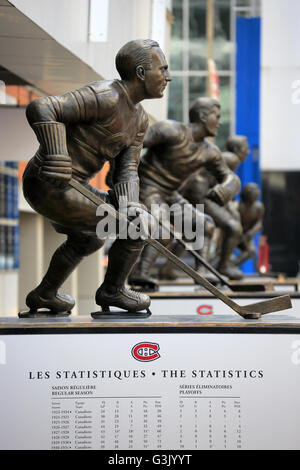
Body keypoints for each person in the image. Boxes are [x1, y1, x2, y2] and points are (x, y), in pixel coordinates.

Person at [22, 39, 171, 315]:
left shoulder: (140, 119)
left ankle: (45, 294)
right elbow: (43, 107)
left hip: (77, 188)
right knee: (140, 227)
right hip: (48, 183)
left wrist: (128, 205)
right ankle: (113, 290)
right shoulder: (106, 96)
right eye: (162, 69)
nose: (168, 76)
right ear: (140, 73)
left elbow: (126, 169)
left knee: (91, 237)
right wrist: (56, 154)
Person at [128, 97, 241, 288]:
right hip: (147, 187)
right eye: (217, 116)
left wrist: (227, 187)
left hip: (170, 194)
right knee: (162, 229)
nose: (219, 122)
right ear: (203, 116)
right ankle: (141, 273)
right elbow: (131, 144)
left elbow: (229, 176)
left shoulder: (209, 151)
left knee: (205, 225)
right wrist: (122, 177)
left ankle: (202, 272)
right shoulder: (170, 130)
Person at [159, 135, 249, 281]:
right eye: (246, 148)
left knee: (189, 233)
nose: (248, 152)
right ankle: (222, 266)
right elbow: (221, 191)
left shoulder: (223, 156)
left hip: (195, 193)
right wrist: (230, 211)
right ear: (237, 149)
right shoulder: (231, 159)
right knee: (233, 227)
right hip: (200, 196)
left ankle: (167, 268)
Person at [231, 183, 264, 267]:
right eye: (251, 191)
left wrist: (252, 232)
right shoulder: (237, 206)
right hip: (234, 234)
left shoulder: (259, 207)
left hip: (246, 235)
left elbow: (259, 223)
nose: (253, 194)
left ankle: (232, 265)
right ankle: (223, 266)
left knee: (251, 251)